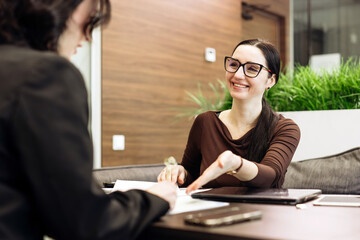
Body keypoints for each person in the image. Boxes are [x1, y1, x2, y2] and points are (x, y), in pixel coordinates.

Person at [0, 0, 177, 239]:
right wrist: (153, 199)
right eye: (90, 16)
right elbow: (86, 222)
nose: (87, 36)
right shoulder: (43, 75)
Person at [158, 39, 300, 194]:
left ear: (270, 80)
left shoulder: (285, 129)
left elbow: (270, 177)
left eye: (252, 69)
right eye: (234, 65)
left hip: (263, 213)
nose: (238, 75)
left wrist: (235, 164)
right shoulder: (205, 122)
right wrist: (180, 173)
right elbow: (192, 177)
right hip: (210, 213)